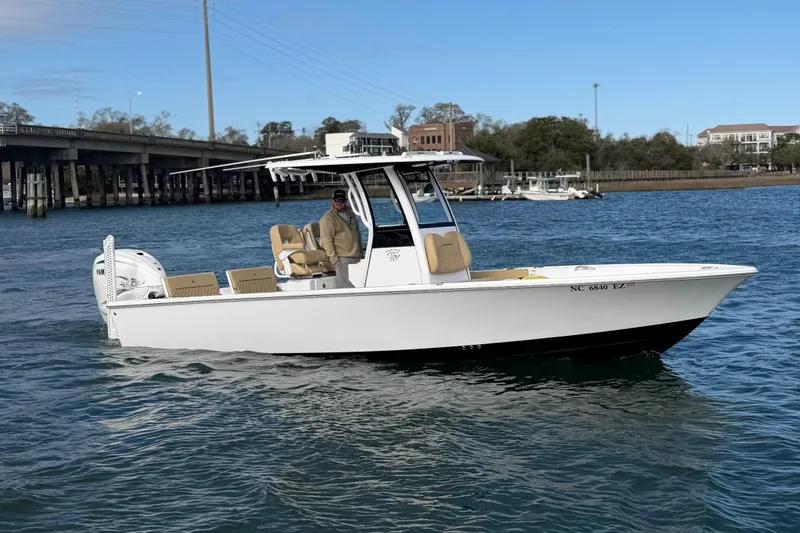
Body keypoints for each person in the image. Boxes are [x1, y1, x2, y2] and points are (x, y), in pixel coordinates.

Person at [319, 189, 362, 287]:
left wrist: (361, 252)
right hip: (342, 259)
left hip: (356, 257)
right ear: (332, 201)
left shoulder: (351, 212)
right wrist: (335, 260)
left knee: (358, 286)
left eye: (342, 200)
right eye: (336, 200)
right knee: (347, 287)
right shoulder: (328, 218)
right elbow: (326, 240)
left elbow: (357, 233)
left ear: (346, 201)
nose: (339, 202)